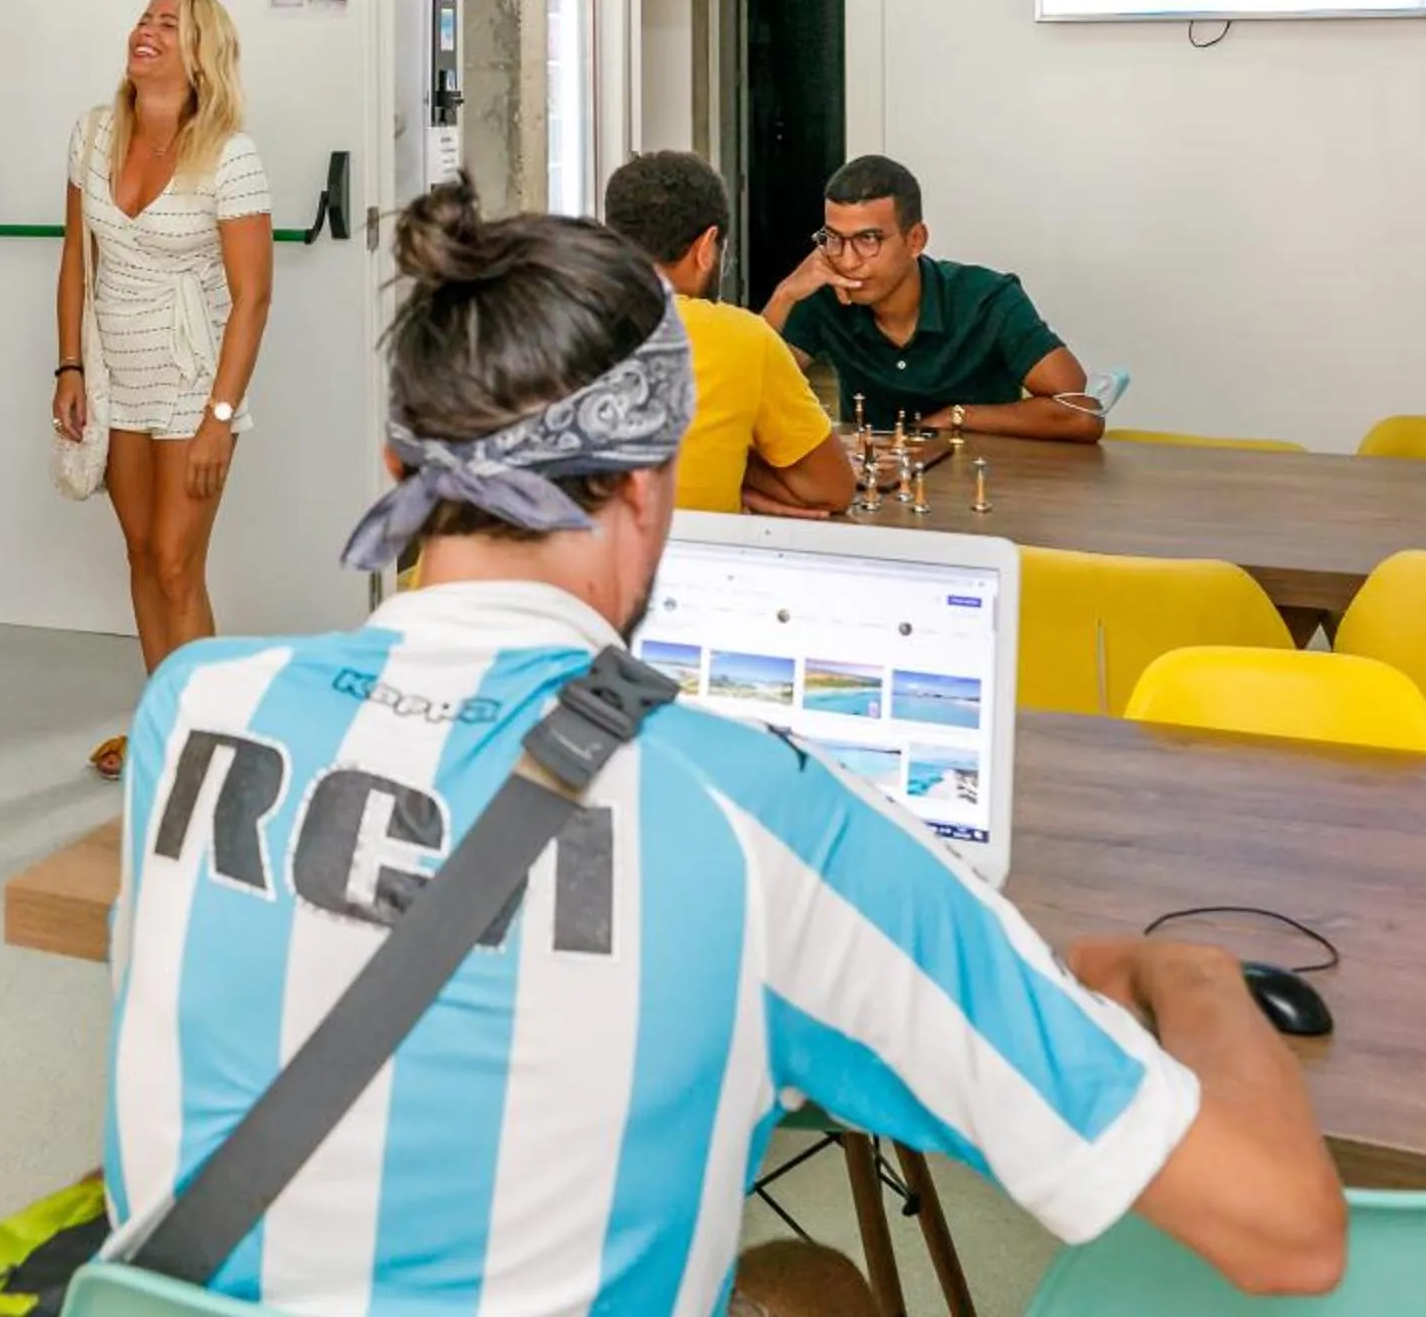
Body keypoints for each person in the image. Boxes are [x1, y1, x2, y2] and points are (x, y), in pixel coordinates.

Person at [105, 180, 1347, 1316]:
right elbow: (1286, 1232)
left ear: (395, 465)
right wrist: (1188, 975)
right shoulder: (756, 815)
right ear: (650, 486)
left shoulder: (196, 707)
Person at [55, 0, 274, 782]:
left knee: (179, 562)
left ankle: (215, 746)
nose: (145, 31)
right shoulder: (91, 135)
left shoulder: (230, 152)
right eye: (143, 17)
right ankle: (168, 723)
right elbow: (77, 261)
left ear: (199, 53)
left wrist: (221, 414)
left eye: (167, 25)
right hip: (115, 371)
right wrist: (70, 367)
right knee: (143, 554)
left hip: (193, 379)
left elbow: (253, 296)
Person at [764, 156, 1103, 444]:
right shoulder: (827, 295)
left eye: (869, 239)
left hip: (984, 486)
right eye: (835, 239)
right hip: (876, 490)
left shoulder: (986, 298)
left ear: (916, 240)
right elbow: (747, 387)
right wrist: (785, 293)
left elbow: (1080, 411)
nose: (849, 261)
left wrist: (958, 416)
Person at [602, 150, 852, 518]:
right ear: (707, 247)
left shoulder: (547, 323)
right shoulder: (742, 338)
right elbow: (832, 489)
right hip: (691, 566)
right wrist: (743, 474)